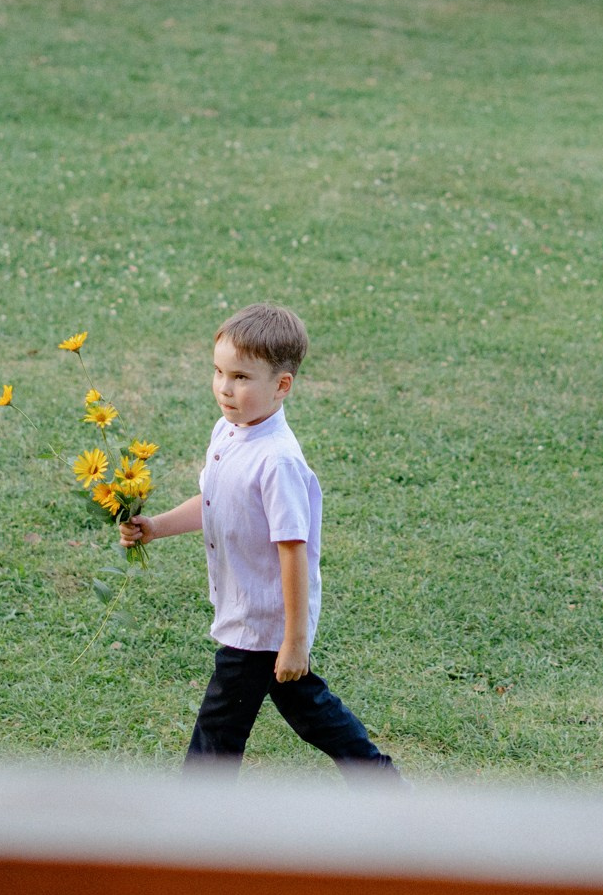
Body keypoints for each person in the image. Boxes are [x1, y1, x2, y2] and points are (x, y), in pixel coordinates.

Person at [121, 303, 399, 778]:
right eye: (218, 372)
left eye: (242, 377)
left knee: (219, 726)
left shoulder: (278, 462)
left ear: (282, 385)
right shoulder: (229, 430)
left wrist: (293, 641)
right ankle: (379, 779)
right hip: (247, 611)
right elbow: (214, 500)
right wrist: (157, 525)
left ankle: (192, 817)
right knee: (310, 710)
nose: (225, 388)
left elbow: (293, 551)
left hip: (262, 622)